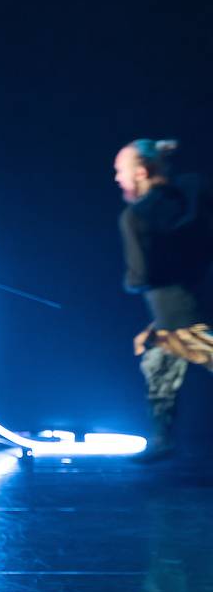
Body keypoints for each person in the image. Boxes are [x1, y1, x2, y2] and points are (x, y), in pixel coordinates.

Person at [114, 139, 213, 463]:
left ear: (141, 172)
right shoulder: (187, 195)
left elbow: (140, 275)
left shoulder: (135, 216)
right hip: (187, 307)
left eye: (121, 171)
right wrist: (163, 157)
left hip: (180, 317)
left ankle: (161, 440)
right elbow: (193, 182)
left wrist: (131, 282)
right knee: (156, 364)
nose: (117, 178)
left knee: (160, 363)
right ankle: (161, 440)